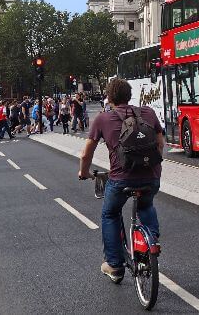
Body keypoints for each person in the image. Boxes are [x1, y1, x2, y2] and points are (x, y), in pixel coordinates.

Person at [78, 78, 164, 283]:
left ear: (109, 98)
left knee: (110, 213)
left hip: (120, 179)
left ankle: (115, 266)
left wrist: (84, 172)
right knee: (146, 205)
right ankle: (151, 241)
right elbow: (160, 144)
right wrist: (156, 171)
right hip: (150, 177)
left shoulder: (102, 119)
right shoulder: (148, 113)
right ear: (129, 95)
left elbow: (85, 155)